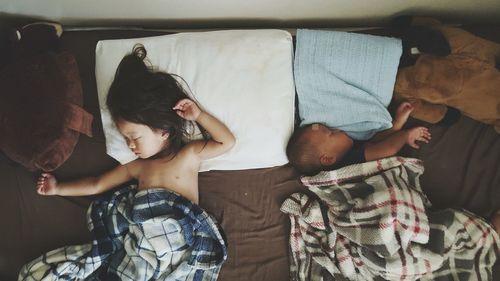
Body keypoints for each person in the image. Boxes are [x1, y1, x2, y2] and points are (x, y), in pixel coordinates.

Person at [35, 45, 235, 204]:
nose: (130, 145)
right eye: (126, 138)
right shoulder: (136, 167)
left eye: (135, 137)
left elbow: (226, 142)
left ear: (163, 130)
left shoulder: (189, 155)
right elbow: (96, 184)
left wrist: (198, 115)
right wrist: (58, 188)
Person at [286, 102, 431, 176]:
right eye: (331, 133)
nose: (337, 129)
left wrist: (396, 125)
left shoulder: (345, 153)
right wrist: (405, 135)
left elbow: (374, 142)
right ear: (328, 159)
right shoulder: (349, 163)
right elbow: (387, 149)